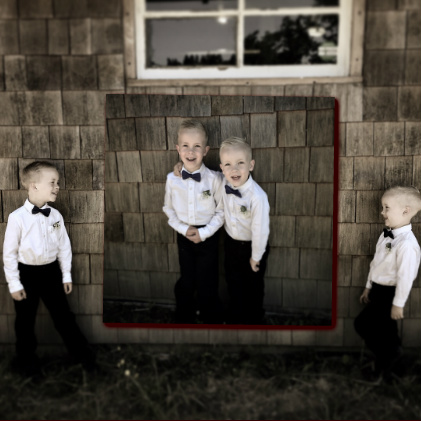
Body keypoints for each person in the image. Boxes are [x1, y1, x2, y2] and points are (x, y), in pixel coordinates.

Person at [3, 161, 94, 375]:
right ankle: (26, 364)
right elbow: (9, 253)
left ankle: (85, 358)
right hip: (26, 274)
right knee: (25, 321)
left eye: (58, 182)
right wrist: (14, 284)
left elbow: (63, 246)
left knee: (64, 318)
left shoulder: (55, 216)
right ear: (34, 185)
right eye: (52, 182)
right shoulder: (17, 218)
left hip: (51, 273)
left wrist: (66, 275)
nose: (57, 187)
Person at [354, 186, 421, 378]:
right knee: (386, 333)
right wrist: (368, 286)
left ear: (405, 211)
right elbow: (377, 263)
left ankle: (389, 361)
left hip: (390, 293)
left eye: (386, 207)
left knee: (364, 324)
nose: (382, 212)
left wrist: (398, 304)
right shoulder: (388, 235)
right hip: (377, 289)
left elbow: (406, 277)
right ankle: (392, 366)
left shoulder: (407, 244)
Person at [163, 119, 225, 324]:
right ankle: (184, 318)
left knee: (208, 282)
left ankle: (210, 319)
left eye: (197, 146)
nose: (191, 151)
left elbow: (221, 211)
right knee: (187, 280)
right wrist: (183, 229)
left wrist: (204, 233)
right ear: (178, 149)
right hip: (184, 235)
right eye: (186, 146)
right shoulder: (172, 179)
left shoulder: (215, 179)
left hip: (209, 236)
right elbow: (168, 209)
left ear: (205, 150)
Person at [218, 137, 270, 324]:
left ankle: (254, 320)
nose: (234, 169)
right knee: (233, 283)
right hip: (232, 244)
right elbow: (204, 176)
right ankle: (236, 319)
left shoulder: (257, 197)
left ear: (251, 165)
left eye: (240, 163)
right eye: (228, 164)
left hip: (254, 246)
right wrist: (180, 168)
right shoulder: (223, 184)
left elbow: (260, 230)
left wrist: (255, 257)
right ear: (222, 168)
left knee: (253, 286)